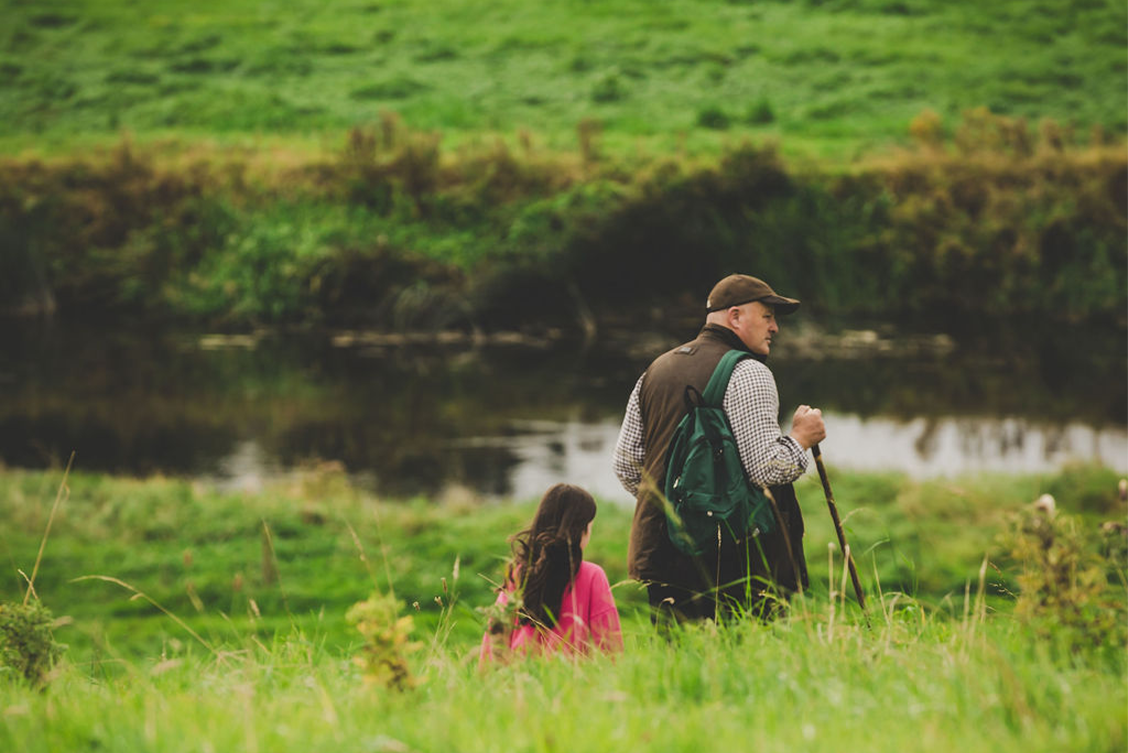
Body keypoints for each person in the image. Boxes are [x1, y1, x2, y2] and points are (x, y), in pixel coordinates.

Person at [612, 274, 826, 623]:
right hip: (737, 561)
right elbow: (768, 469)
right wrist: (802, 438)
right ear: (736, 316)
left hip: (663, 554)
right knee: (748, 666)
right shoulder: (749, 372)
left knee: (678, 669)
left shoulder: (655, 369)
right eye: (768, 316)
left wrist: (680, 510)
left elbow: (627, 465)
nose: (775, 328)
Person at [479, 483, 623, 663]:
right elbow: (610, 645)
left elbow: (496, 635)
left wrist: (487, 680)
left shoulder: (518, 572)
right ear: (580, 530)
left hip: (519, 680)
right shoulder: (593, 575)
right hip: (571, 684)